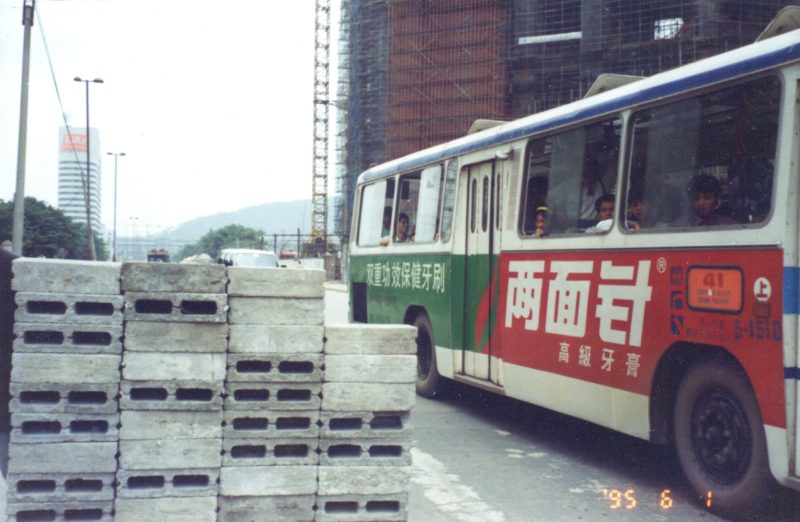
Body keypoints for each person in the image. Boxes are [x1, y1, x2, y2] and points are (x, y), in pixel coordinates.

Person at [578, 157, 607, 229]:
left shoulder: (601, 184)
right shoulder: (568, 186)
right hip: (576, 225)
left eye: (592, 170)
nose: (589, 172)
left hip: (595, 225)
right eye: (586, 170)